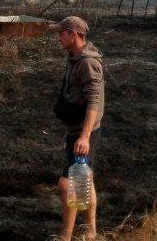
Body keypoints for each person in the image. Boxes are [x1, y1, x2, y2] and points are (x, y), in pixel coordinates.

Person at [50, 16, 104, 241]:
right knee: (85, 181)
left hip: (85, 132)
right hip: (77, 131)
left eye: (61, 33)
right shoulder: (74, 58)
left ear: (73, 34)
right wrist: (71, 133)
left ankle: (66, 235)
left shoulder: (88, 63)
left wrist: (83, 137)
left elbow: (94, 101)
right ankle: (91, 231)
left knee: (67, 184)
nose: (58, 37)